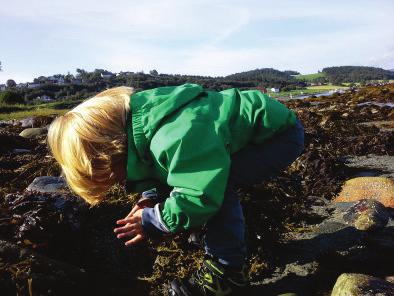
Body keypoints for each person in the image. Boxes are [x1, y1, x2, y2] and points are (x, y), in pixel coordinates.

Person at [47, 83, 304, 295]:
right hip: (234, 134)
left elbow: (200, 193)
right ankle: (217, 237)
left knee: (218, 187)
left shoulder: (174, 136)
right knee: (198, 180)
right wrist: (151, 197)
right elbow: (159, 166)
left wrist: (154, 220)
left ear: (112, 153)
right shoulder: (139, 124)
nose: (119, 184)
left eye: (115, 178)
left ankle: (226, 273)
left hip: (277, 135)